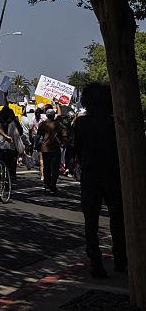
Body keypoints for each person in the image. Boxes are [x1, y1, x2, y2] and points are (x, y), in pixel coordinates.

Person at [71, 83, 125, 278]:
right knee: (117, 218)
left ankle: (96, 261)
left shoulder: (82, 123)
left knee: (91, 222)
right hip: (114, 173)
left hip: (91, 174)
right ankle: (121, 258)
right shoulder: (116, 122)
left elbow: (76, 148)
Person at [0, 106, 24, 183]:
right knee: (10, 167)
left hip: (0, 147)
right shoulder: (12, 124)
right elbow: (17, 137)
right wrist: (21, 149)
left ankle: (0, 180)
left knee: (0, 165)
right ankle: (10, 181)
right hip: (11, 148)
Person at [37, 107, 65, 194]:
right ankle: (52, 185)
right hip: (55, 148)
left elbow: (38, 136)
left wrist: (36, 145)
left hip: (45, 149)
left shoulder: (42, 124)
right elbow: (64, 135)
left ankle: (47, 184)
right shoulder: (58, 124)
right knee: (55, 168)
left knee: (47, 167)